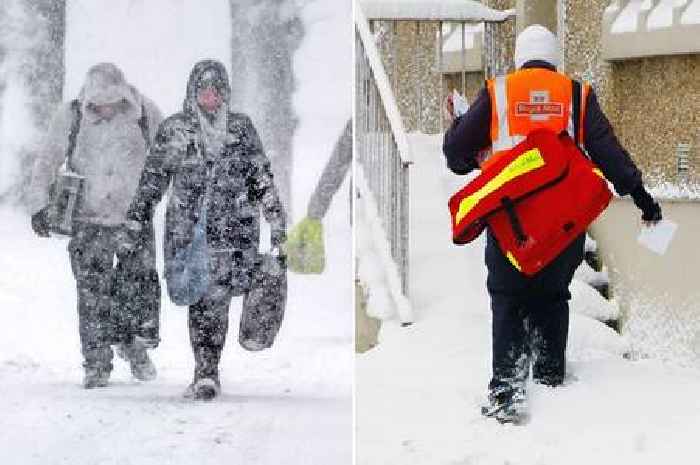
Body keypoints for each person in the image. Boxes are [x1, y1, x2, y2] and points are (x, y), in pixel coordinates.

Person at [442, 25, 662, 423]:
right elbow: (610, 155)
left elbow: (456, 156)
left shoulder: (498, 92)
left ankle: (507, 392)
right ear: (555, 58)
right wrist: (643, 200)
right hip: (563, 227)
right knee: (552, 297)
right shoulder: (576, 95)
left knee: (508, 301)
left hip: (511, 225)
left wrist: (460, 128)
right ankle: (549, 382)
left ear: (520, 57)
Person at [125, 59, 286, 400]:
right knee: (204, 300)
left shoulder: (241, 129)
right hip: (190, 232)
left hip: (236, 229)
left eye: (216, 91)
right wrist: (137, 215)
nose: (210, 98)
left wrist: (276, 219)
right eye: (203, 91)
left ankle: (208, 369)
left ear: (225, 94)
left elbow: (260, 177)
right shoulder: (176, 130)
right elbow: (153, 178)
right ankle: (206, 370)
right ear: (192, 93)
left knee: (219, 299)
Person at [28, 63, 163, 389]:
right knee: (91, 296)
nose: (105, 109)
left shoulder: (145, 113)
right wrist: (39, 206)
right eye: (98, 104)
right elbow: (47, 160)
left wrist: (160, 197)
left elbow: (168, 159)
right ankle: (96, 362)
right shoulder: (71, 116)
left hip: (134, 220)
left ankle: (135, 348)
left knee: (137, 290)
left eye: (112, 103)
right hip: (87, 221)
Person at [286, 119, 352, 273]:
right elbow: (337, 164)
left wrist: (315, 210)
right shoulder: (357, 123)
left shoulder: (357, 124)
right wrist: (315, 211)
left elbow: (337, 165)